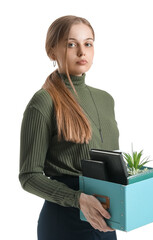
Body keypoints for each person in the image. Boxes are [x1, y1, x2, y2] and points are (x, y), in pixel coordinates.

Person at [19, 15, 120, 240]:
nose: (82, 52)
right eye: (71, 44)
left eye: (88, 43)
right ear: (52, 51)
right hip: (65, 222)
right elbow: (28, 176)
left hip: (105, 219)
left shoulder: (106, 100)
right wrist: (77, 199)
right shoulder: (44, 101)